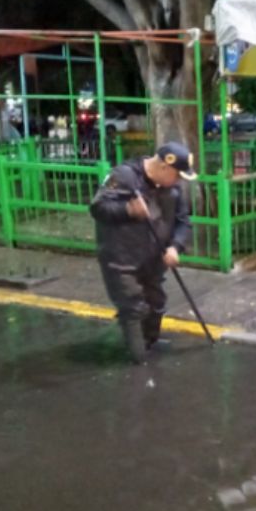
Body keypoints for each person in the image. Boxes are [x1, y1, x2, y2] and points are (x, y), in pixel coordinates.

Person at [89, 142, 194, 364]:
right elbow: (98, 207)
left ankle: (149, 344)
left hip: (154, 257)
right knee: (133, 306)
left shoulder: (173, 188)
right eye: (177, 175)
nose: (179, 181)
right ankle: (139, 360)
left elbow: (183, 221)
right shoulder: (124, 176)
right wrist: (128, 210)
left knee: (156, 303)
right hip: (122, 257)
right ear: (164, 167)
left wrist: (176, 246)